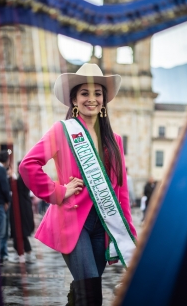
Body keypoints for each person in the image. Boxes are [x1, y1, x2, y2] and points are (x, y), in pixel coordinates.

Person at [19, 63, 137, 306]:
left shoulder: (114, 140)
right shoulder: (62, 131)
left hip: (103, 225)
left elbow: (120, 191)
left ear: (104, 99)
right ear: (73, 99)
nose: (91, 99)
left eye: (97, 93)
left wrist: (127, 235)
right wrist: (58, 191)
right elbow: (28, 165)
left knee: (84, 291)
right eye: (84, 93)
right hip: (73, 222)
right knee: (91, 292)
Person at [9, 162, 35, 263]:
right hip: (24, 207)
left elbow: (14, 186)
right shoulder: (26, 178)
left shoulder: (22, 179)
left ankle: (23, 254)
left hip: (21, 208)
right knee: (21, 232)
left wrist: (11, 176)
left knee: (20, 231)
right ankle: (24, 254)